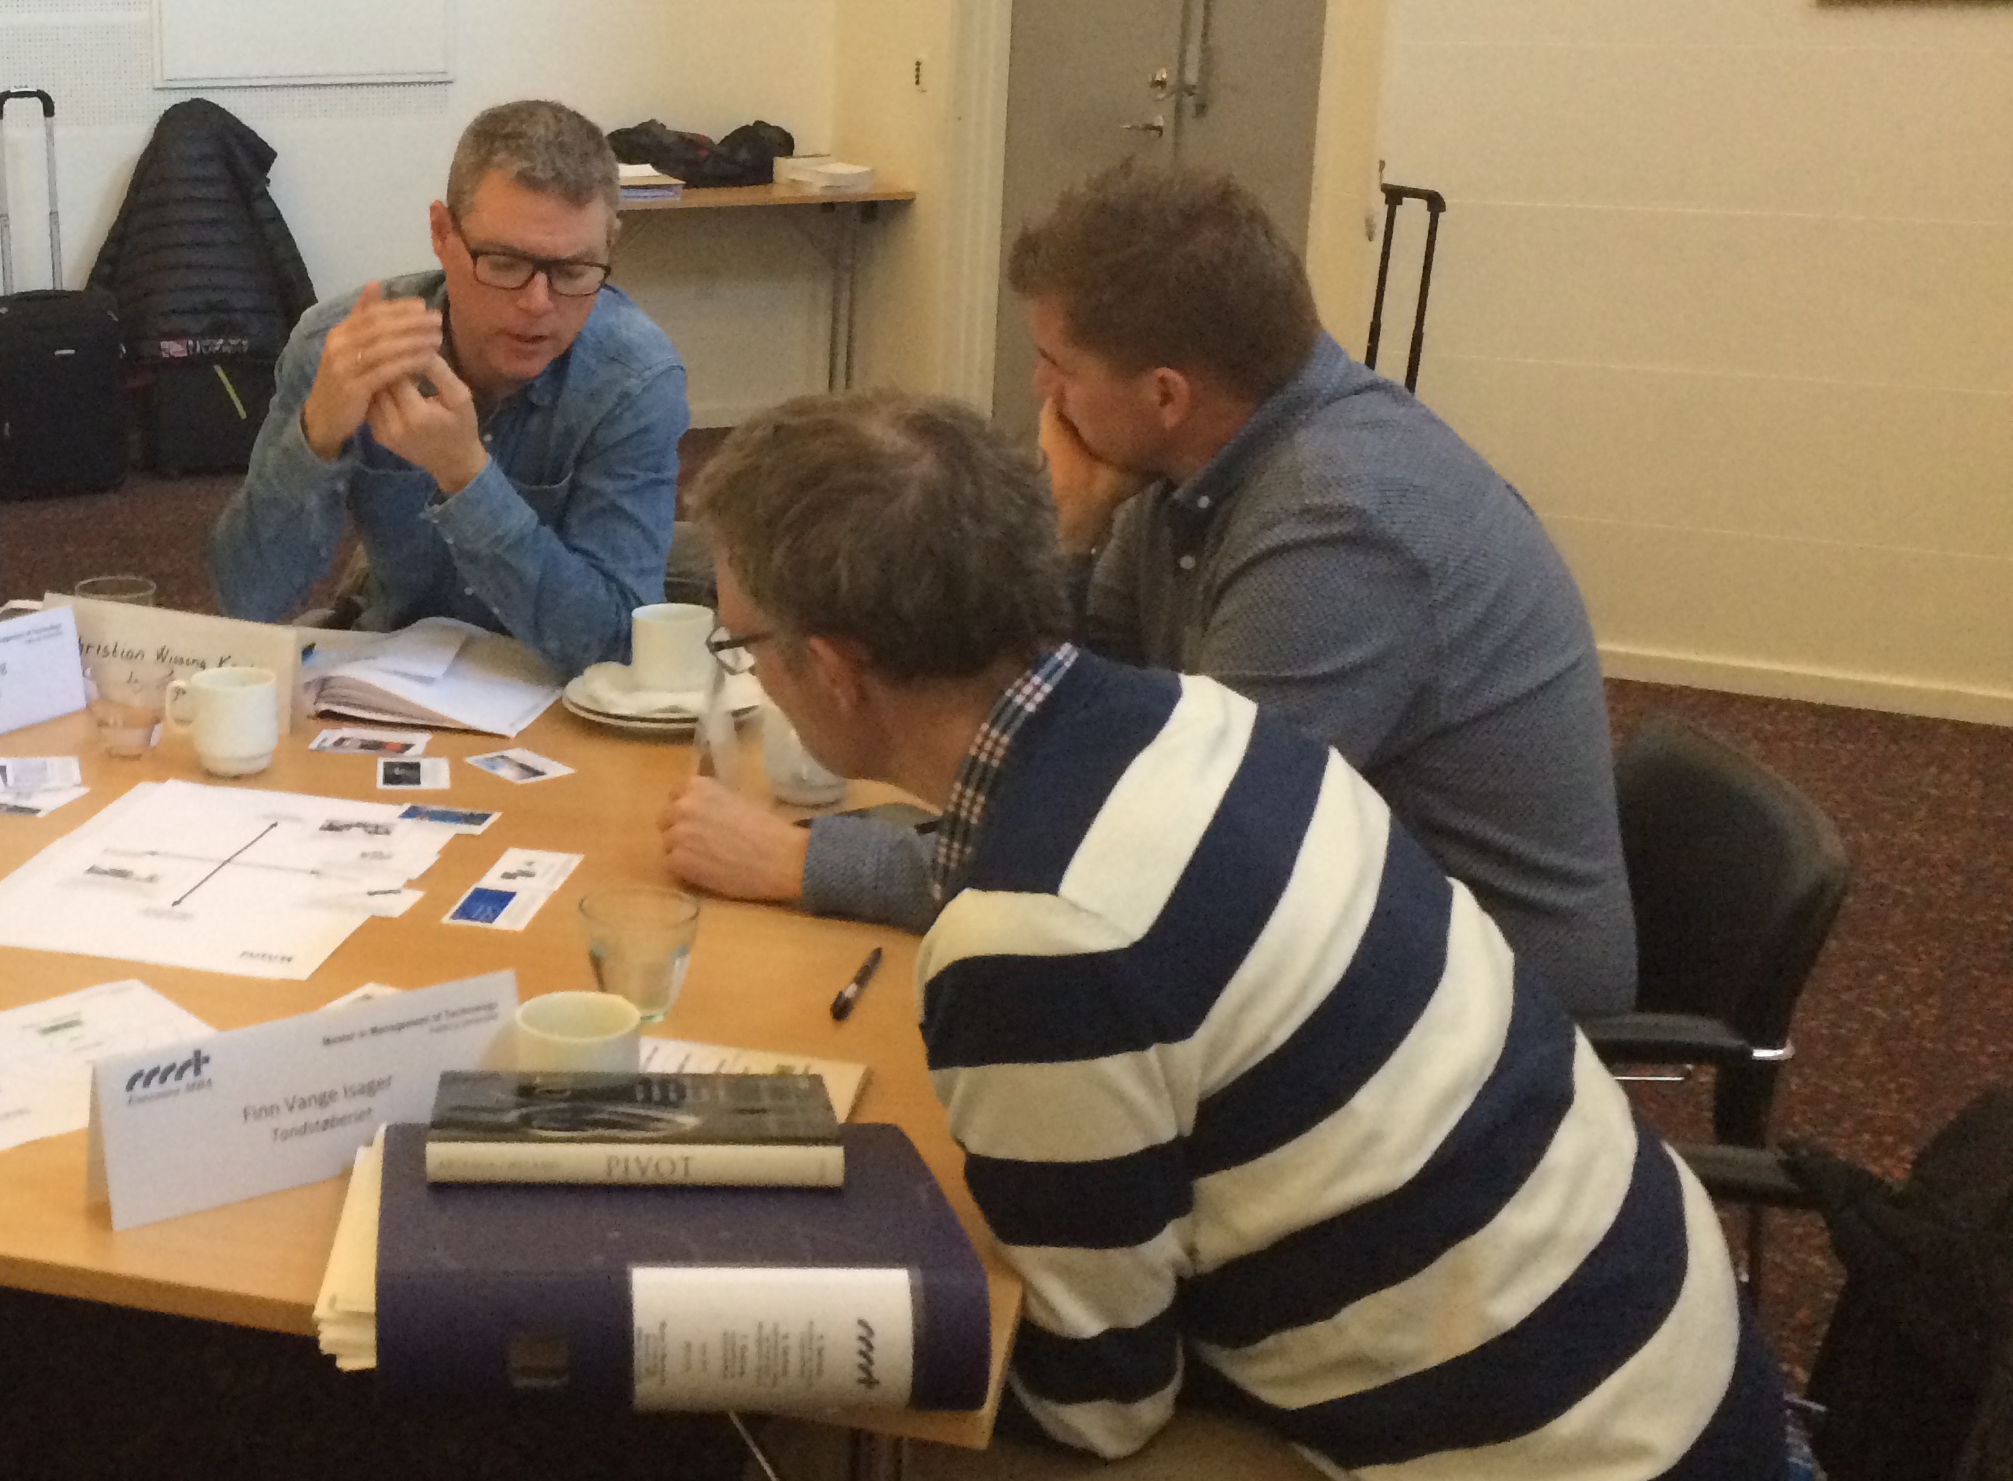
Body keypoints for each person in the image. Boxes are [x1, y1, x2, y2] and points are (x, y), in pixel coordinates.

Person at [691, 393, 1786, 1481]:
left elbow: (1099, 1407)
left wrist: (784, 1313)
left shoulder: (1045, 933)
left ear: (831, 669)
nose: (755, 678)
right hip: (1678, 1446)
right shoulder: (1192, 723)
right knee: (940, 1387)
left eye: (747, 647)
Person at [665, 161, 1638, 1019]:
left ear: (1166, 394)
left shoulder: (1336, 529)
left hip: (1470, 1000)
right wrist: (1071, 535)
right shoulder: (1189, 466)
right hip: (1310, 914)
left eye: (1058, 366)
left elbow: (1163, 852)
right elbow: (1064, 724)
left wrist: (807, 862)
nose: (1041, 394)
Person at [208, 99, 689, 678]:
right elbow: (245, 601)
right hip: (395, 671)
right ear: (441, 233)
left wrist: (465, 475)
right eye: (504, 263)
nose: (538, 304)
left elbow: (617, 644)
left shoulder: (633, 379)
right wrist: (315, 439)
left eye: (572, 271)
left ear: (610, 246)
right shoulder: (343, 348)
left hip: (556, 690)